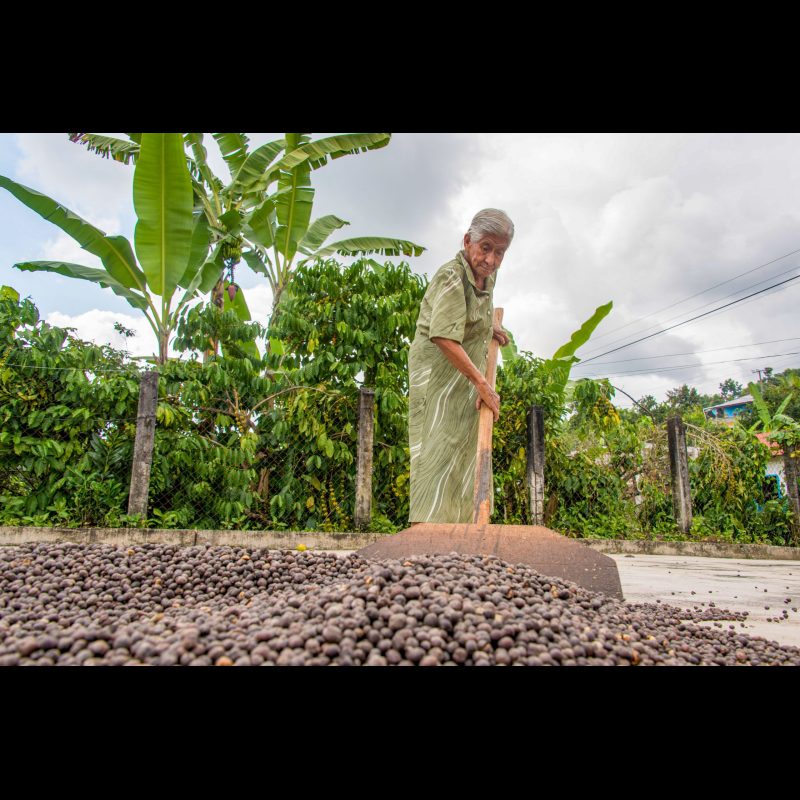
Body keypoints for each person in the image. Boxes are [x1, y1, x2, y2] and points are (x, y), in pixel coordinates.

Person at [408, 208, 513, 524]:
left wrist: (487, 327)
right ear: (468, 241)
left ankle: (463, 534)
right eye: (485, 248)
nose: (491, 260)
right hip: (437, 377)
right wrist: (482, 383)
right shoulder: (452, 276)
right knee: (436, 452)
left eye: (500, 252)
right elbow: (443, 336)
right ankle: (423, 538)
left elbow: (472, 312)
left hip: (464, 377)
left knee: (463, 454)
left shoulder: (487, 276)